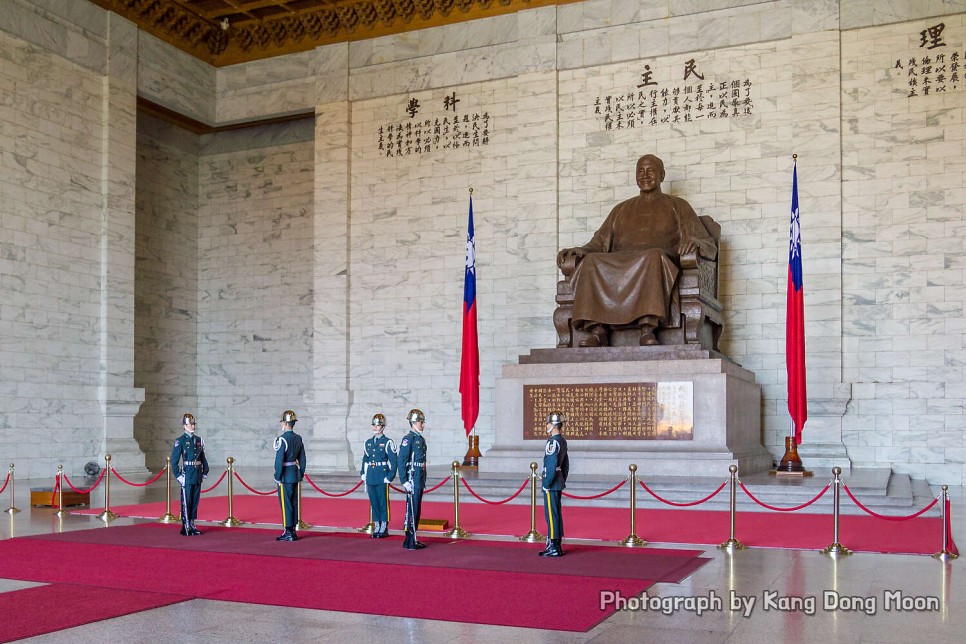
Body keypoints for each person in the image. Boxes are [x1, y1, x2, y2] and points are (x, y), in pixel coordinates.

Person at [557, 154, 717, 346]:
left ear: (662, 175)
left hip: (656, 259)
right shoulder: (621, 209)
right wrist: (579, 250)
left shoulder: (678, 206)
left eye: (651, 171)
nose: (645, 175)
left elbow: (707, 243)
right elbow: (598, 243)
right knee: (591, 261)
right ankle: (598, 330)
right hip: (621, 260)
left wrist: (695, 243)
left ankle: (647, 329)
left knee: (653, 256)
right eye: (640, 171)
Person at [170, 412, 209, 536]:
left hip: (196, 474)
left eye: (193, 423)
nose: (193, 426)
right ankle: (186, 525)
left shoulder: (198, 440)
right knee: (187, 501)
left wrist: (205, 471)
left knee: (195, 501)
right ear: (184, 426)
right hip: (187, 474)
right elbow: (174, 461)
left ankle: (192, 524)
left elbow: (202, 457)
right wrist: (178, 476)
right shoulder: (180, 441)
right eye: (190, 424)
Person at [361, 413, 398, 538]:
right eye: (374, 425)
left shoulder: (387, 442)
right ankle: (377, 524)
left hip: (382, 476)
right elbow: (365, 459)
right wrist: (363, 473)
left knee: (383, 502)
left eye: (378, 425)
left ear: (383, 426)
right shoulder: (368, 443)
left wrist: (390, 476)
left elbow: (394, 461)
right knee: (374, 502)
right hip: (371, 475)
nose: (376, 427)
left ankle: (384, 526)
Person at [397, 408, 428, 550]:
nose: (423, 425)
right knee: (412, 509)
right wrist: (404, 480)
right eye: (421, 422)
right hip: (412, 478)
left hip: (418, 477)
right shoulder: (408, 439)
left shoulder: (420, 439)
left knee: (416, 509)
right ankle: (410, 539)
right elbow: (402, 461)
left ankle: (410, 538)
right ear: (414, 422)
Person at [539, 411, 569, 557]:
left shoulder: (553, 442)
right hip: (558, 481)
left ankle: (553, 546)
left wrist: (547, 482)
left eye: (548, 423)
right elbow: (566, 465)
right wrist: (562, 479)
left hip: (551, 483)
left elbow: (551, 464)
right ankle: (556, 544)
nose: (547, 426)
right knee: (556, 514)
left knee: (551, 515)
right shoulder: (562, 441)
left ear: (554, 426)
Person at [274, 409, 306, 542]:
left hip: (285, 476)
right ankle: (293, 529)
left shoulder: (282, 439)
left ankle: (288, 531)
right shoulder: (298, 438)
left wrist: (278, 475)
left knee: (286, 503)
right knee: (293, 503)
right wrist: (300, 473)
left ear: (286, 423)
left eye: (282, 422)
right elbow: (303, 458)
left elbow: (279, 461)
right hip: (294, 474)